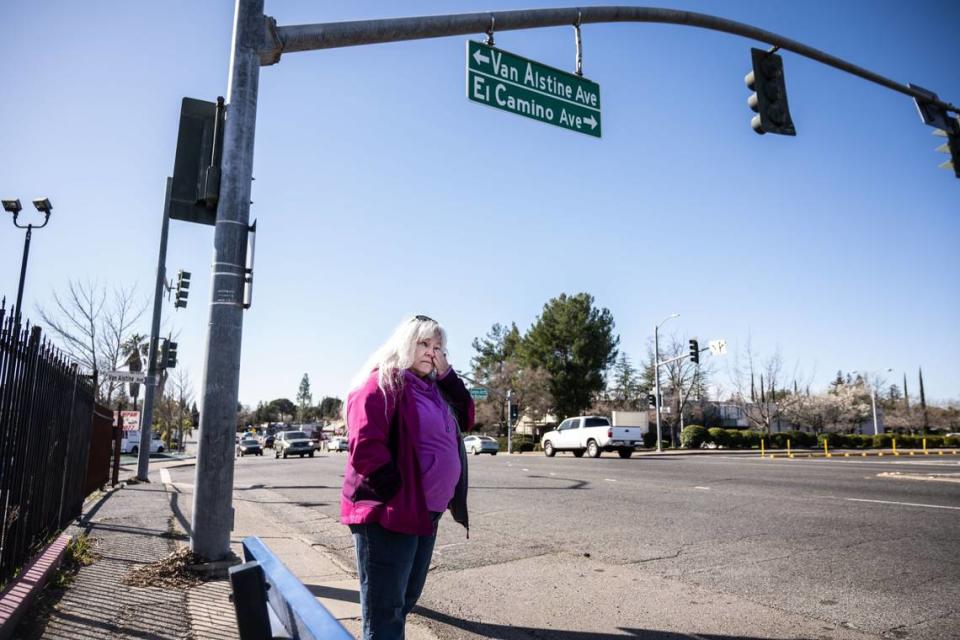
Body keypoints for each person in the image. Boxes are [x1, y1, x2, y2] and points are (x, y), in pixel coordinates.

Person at [341, 315, 475, 639]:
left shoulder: (434, 389)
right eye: (424, 344)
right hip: (391, 513)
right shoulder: (381, 382)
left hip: (426, 513)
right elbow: (366, 446)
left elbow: (468, 416)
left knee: (405, 599)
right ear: (405, 343)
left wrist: (447, 375)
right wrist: (397, 495)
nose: (432, 352)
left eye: (438, 347)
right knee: (385, 609)